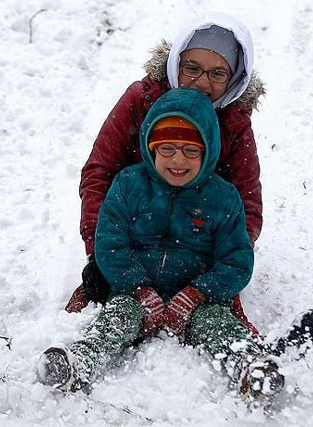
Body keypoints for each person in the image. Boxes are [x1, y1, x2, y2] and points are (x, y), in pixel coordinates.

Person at [37, 88, 284, 404]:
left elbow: (237, 260)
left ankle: (250, 365)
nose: (178, 159)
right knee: (118, 316)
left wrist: (197, 294)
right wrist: (138, 288)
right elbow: (110, 244)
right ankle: (80, 361)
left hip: (197, 300)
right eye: (167, 148)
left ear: (208, 151)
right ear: (150, 147)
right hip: (135, 293)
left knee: (218, 324)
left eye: (191, 151)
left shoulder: (223, 198)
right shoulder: (128, 185)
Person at [67, 12, 264, 335]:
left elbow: (247, 202)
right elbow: (99, 172)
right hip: (137, 231)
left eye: (217, 73)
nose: (202, 82)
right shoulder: (142, 100)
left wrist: (222, 265)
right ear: (176, 63)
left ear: (234, 79)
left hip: (197, 240)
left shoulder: (234, 121)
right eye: (192, 68)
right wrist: (99, 249)